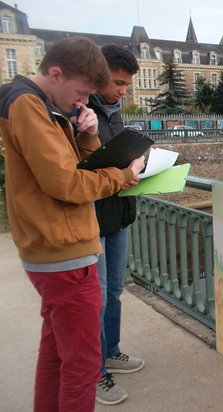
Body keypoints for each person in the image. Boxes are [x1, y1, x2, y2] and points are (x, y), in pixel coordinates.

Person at [0, 37, 145, 412]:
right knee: (81, 366)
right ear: (55, 73)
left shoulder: (41, 106)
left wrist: (87, 133)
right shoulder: (27, 106)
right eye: (81, 92)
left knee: (56, 355)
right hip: (64, 252)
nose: (83, 101)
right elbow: (67, 185)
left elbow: (74, 167)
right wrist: (124, 175)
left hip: (56, 248)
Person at [88, 44, 144, 406]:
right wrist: (123, 172)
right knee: (96, 297)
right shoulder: (81, 114)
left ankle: (111, 351)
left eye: (126, 84)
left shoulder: (114, 114)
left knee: (113, 291)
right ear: (97, 74)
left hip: (118, 213)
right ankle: (95, 373)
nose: (123, 91)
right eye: (119, 83)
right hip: (92, 216)